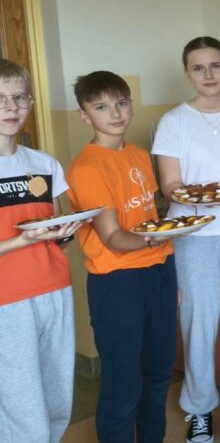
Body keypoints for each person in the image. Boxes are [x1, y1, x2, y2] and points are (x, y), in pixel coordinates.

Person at [152, 36, 220, 442]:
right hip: (192, 236)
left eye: (215, 65)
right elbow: (170, 184)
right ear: (187, 73)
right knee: (197, 325)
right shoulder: (173, 122)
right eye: (198, 68)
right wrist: (196, 196)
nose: (208, 74)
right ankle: (199, 410)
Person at [66, 71, 177, 442]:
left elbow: (148, 214)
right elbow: (113, 237)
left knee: (158, 373)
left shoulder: (140, 155)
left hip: (159, 272)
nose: (114, 113)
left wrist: (165, 253)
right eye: (101, 107)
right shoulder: (87, 167)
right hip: (117, 282)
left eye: (121, 103)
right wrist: (162, 237)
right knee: (124, 384)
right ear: (85, 116)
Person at [0, 59, 86, 443]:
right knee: (23, 413)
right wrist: (21, 241)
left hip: (54, 289)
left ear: (31, 103)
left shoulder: (44, 163)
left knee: (56, 402)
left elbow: (52, 225)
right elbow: (26, 236)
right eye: (0, 99)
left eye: (19, 98)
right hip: (7, 300)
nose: (11, 107)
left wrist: (64, 232)